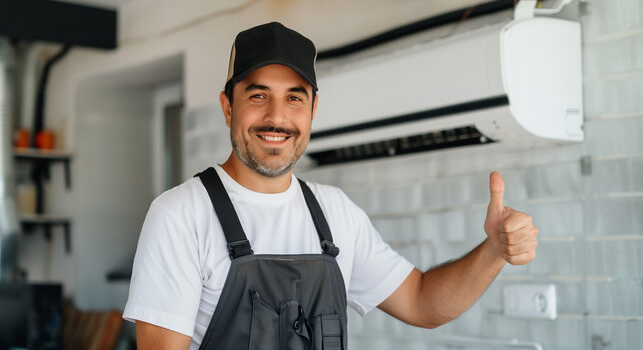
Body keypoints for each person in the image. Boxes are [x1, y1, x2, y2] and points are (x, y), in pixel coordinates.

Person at [123, 22, 538, 350]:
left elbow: (423, 302)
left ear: (313, 109)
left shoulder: (335, 212)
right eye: (257, 96)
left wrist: (493, 252)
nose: (277, 116)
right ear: (227, 106)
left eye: (295, 98)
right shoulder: (180, 214)